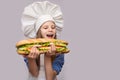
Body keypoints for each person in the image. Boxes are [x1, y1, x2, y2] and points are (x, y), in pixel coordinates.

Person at [20, 1, 64, 80]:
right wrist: (31, 59)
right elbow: (34, 74)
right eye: (45, 27)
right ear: (38, 32)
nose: (50, 30)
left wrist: (48, 57)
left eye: (53, 27)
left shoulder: (59, 52)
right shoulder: (29, 49)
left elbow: (50, 78)